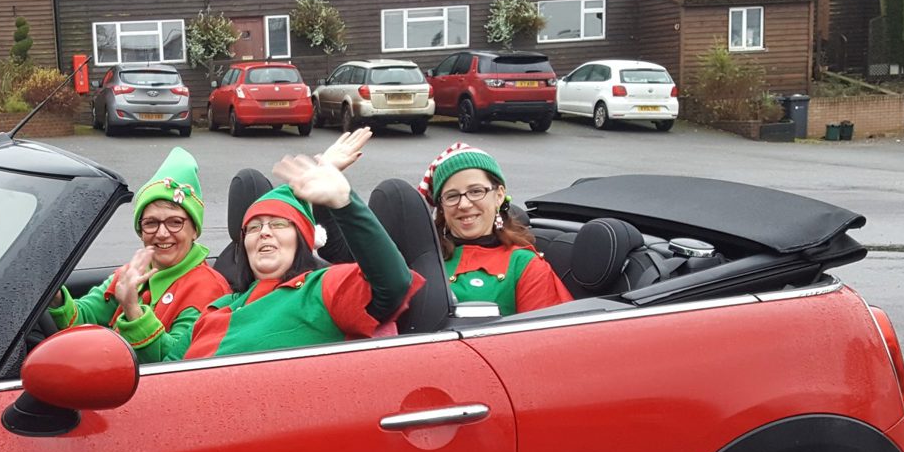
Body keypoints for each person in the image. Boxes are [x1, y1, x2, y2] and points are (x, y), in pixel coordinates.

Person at [113, 153, 420, 361]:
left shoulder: (320, 288)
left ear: (302, 240)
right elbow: (167, 367)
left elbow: (393, 285)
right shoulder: (220, 307)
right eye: (254, 227)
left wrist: (344, 202)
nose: (264, 233)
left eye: (278, 224)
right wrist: (132, 309)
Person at [48, 147, 230, 332]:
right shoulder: (132, 273)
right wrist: (55, 295)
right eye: (151, 223)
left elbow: (177, 350)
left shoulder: (208, 288)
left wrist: (132, 309)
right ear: (140, 231)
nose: (162, 233)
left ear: (195, 230)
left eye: (175, 222)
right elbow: (84, 318)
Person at [417, 143, 571, 315]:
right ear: (441, 207)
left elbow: (547, 330)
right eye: (452, 196)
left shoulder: (524, 265)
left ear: (499, 196)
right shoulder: (421, 258)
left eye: (476, 191)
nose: (464, 204)